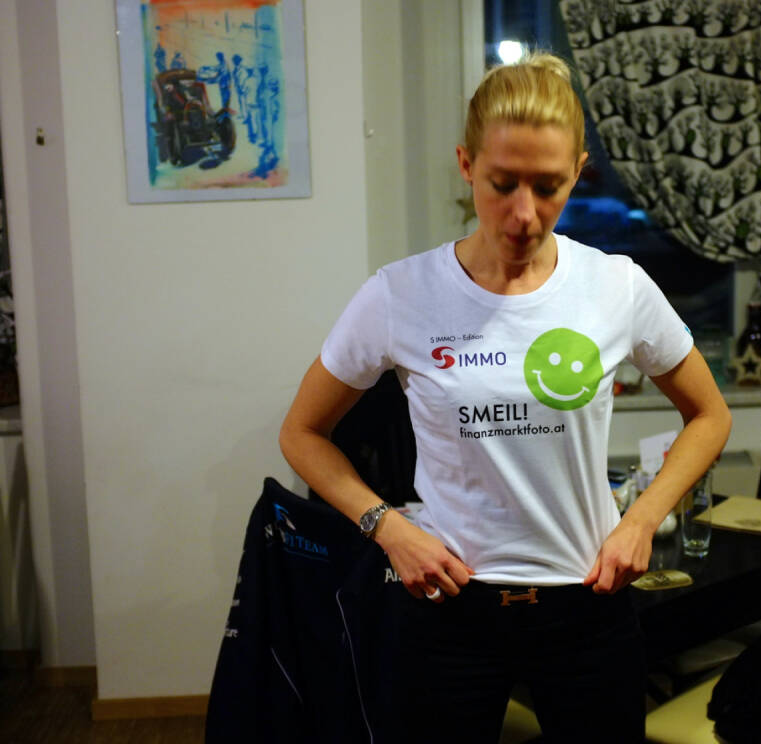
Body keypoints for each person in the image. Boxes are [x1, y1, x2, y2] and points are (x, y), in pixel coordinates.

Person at [279, 51, 731, 743]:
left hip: (587, 604)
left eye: (549, 187)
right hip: (449, 609)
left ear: (579, 171)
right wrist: (387, 528)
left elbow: (709, 415)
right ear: (466, 165)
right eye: (502, 183)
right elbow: (302, 434)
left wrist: (642, 520)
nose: (524, 214)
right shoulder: (400, 295)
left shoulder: (616, 286)